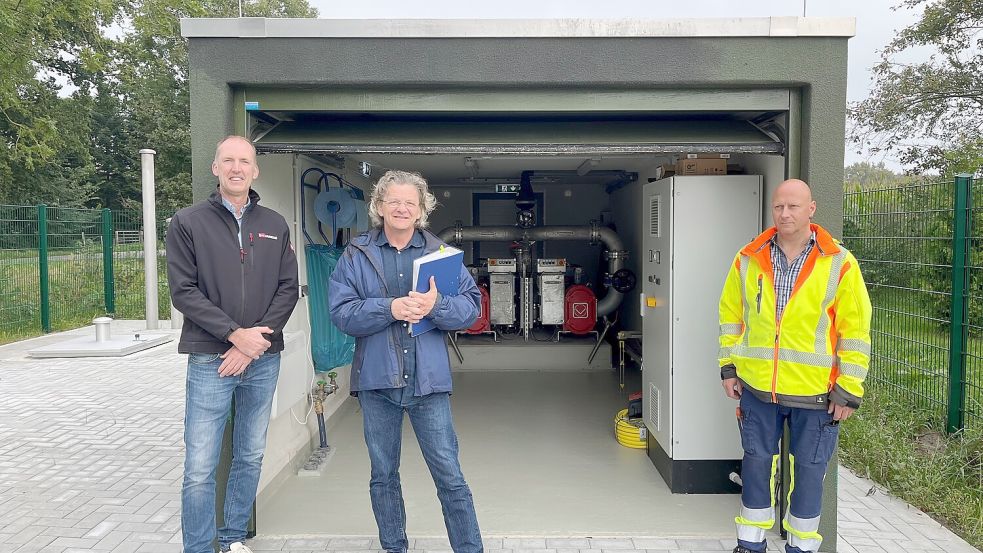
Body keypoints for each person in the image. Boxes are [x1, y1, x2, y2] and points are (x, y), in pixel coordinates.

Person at [328, 170, 483, 553]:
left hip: (428, 384)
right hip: (377, 383)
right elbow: (342, 313)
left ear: (421, 210)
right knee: (383, 475)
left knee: (450, 476)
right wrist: (391, 308)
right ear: (379, 206)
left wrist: (438, 305)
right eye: (393, 201)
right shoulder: (356, 254)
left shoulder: (442, 257)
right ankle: (394, 547)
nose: (401, 208)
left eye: (409, 203)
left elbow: (471, 310)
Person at [718, 179, 872, 553]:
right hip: (757, 389)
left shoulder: (840, 263)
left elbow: (855, 330)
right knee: (756, 465)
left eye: (793, 207)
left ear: (811, 209)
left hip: (817, 394)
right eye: (778, 207)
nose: (784, 214)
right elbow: (730, 316)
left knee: (809, 472)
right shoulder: (748, 257)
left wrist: (849, 389)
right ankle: (750, 544)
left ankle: (801, 547)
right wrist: (728, 366)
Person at [167, 135, 299, 553]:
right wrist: (233, 335)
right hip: (210, 359)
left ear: (255, 170)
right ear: (216, 168)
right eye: (229, 161)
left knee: (250, 455)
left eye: (244, 161)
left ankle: (233, 538)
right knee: (199, 467)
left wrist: (252, 344)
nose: (237, 168)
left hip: (261, 358)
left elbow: (288, 288)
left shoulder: (275, 224)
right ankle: (200, 547)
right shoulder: (187, 222)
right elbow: (184, 291)